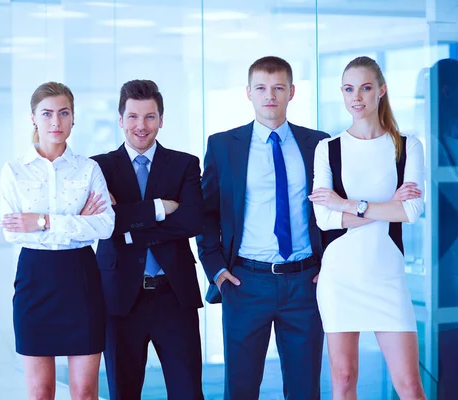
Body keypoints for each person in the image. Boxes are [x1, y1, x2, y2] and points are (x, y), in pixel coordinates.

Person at [197, 56, 328, 399]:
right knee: (240, 389)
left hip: (304, 283)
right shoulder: (223, 146)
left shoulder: (319, 144)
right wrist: (216, 269)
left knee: (305, 389)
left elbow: (331, 209)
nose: (270, 95)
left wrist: (328, 263)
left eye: (278, 88)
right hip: (245, 282)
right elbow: (206, 211)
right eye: (261, 88)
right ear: (249, 93)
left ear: (292, 92)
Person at [309, 56, 426, 400]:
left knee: (409, 385)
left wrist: (348, 205)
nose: (356, 97)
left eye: (365, 88)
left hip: (387, 275)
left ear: (381, 91)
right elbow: (323, 219)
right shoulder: (327, 149)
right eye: (348, 89)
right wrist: (388, 206)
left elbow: (412, 210)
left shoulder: (407, 145)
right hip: (339, 278)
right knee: (343, 381)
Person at [0, 82, 115, 400]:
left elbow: (104, 226)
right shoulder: (14, 171)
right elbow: (13, 232)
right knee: (40, 391)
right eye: (47, 113)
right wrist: (79, 220)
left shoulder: (89, 169)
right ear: (33, 118)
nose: (56, 122)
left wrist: (41, 221)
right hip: (35, 279)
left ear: (73, 118)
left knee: (85, 391)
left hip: (81, 278)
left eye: (64, 113)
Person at [92, 79, 205, 399]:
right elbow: (104, 224)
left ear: (161, 119)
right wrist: (158, 208)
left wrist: (129, 230)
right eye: (133, 117)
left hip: (174, 297)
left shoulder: (184, 164)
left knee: (187, 391)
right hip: (120, 300)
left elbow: (191, 221)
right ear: (120, 119)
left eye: (150, 117)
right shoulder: (99, 168)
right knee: (123, 391)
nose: (141, 126)